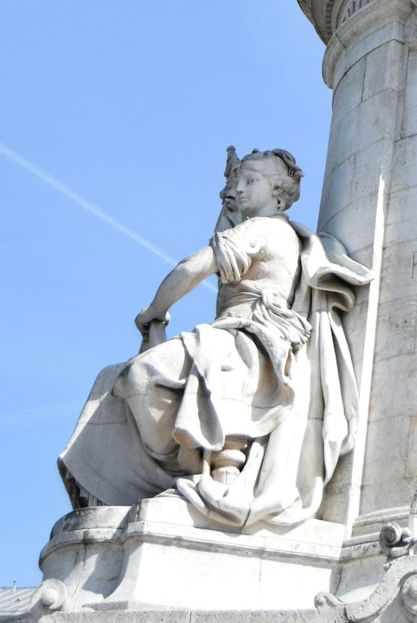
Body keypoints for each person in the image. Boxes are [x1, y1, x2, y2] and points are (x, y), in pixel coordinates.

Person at [59, 148, 370, 532]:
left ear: (277, 194)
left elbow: (192, 268)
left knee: (140, 375)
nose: (239, 189)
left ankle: (192, 475)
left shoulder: (267, 227)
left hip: (247, 342)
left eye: (249, 181)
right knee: (114, 379)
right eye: (238, 181)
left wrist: (153, 311)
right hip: (232, 337)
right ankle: (182, 471)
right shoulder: (258, 227)